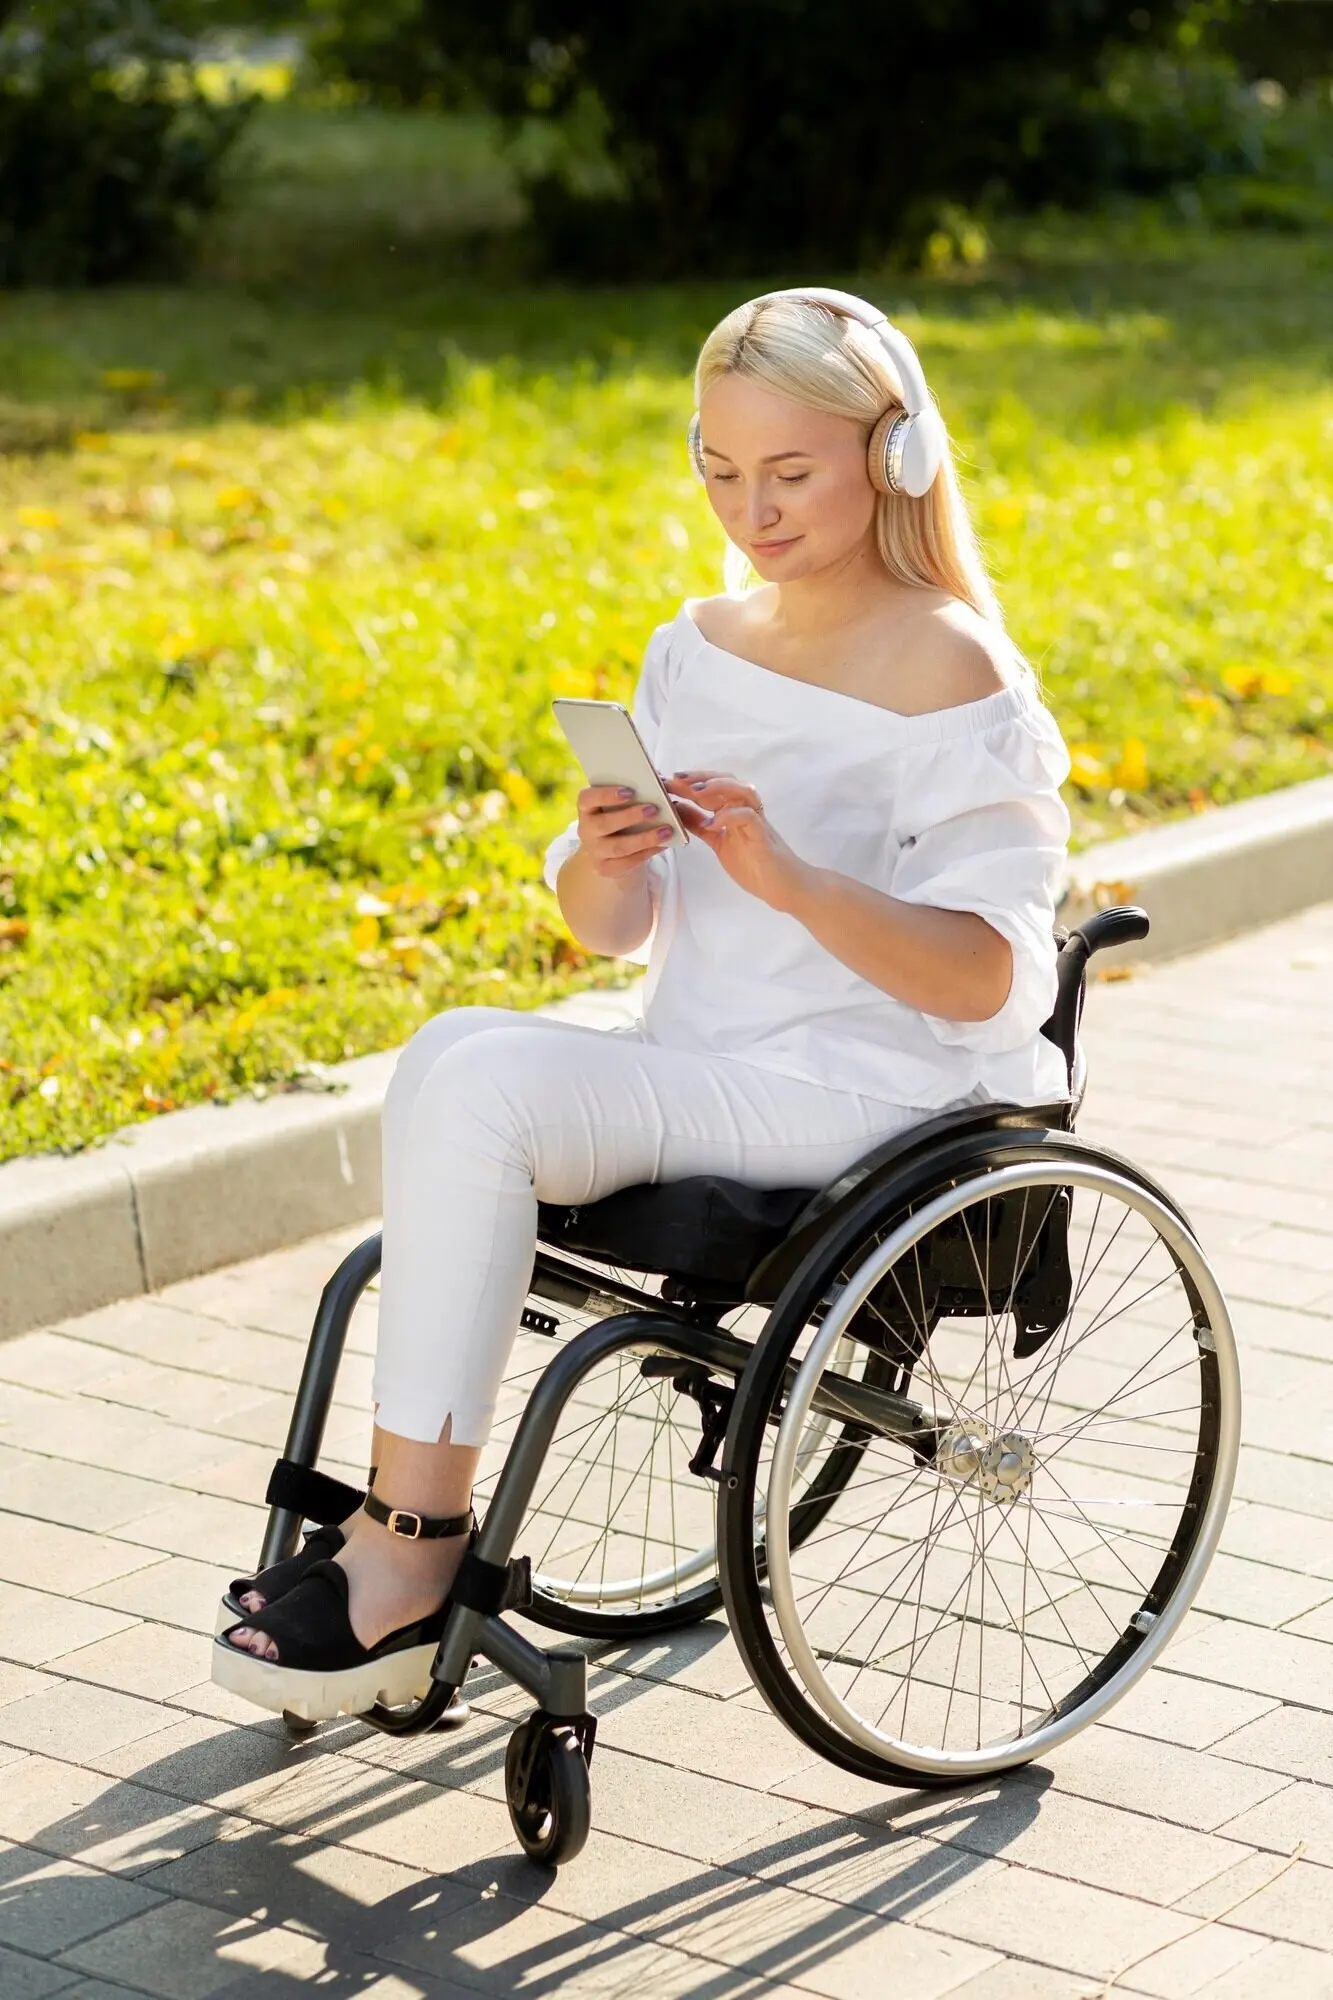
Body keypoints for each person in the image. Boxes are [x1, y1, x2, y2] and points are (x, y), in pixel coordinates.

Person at [214, 288, 1071, 1717]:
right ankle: (404, 1524)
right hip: (706, 1053)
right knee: (446, 1057)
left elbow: (995, 977)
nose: (754, 512)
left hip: (877, 1085)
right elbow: (620, 929)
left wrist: (794, 880)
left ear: (896, 454)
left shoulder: (951, 665)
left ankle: (408, 1554)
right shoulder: (699, 642)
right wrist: (601, 859)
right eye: (719, 472)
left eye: (791, 474)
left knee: (482, 1086)